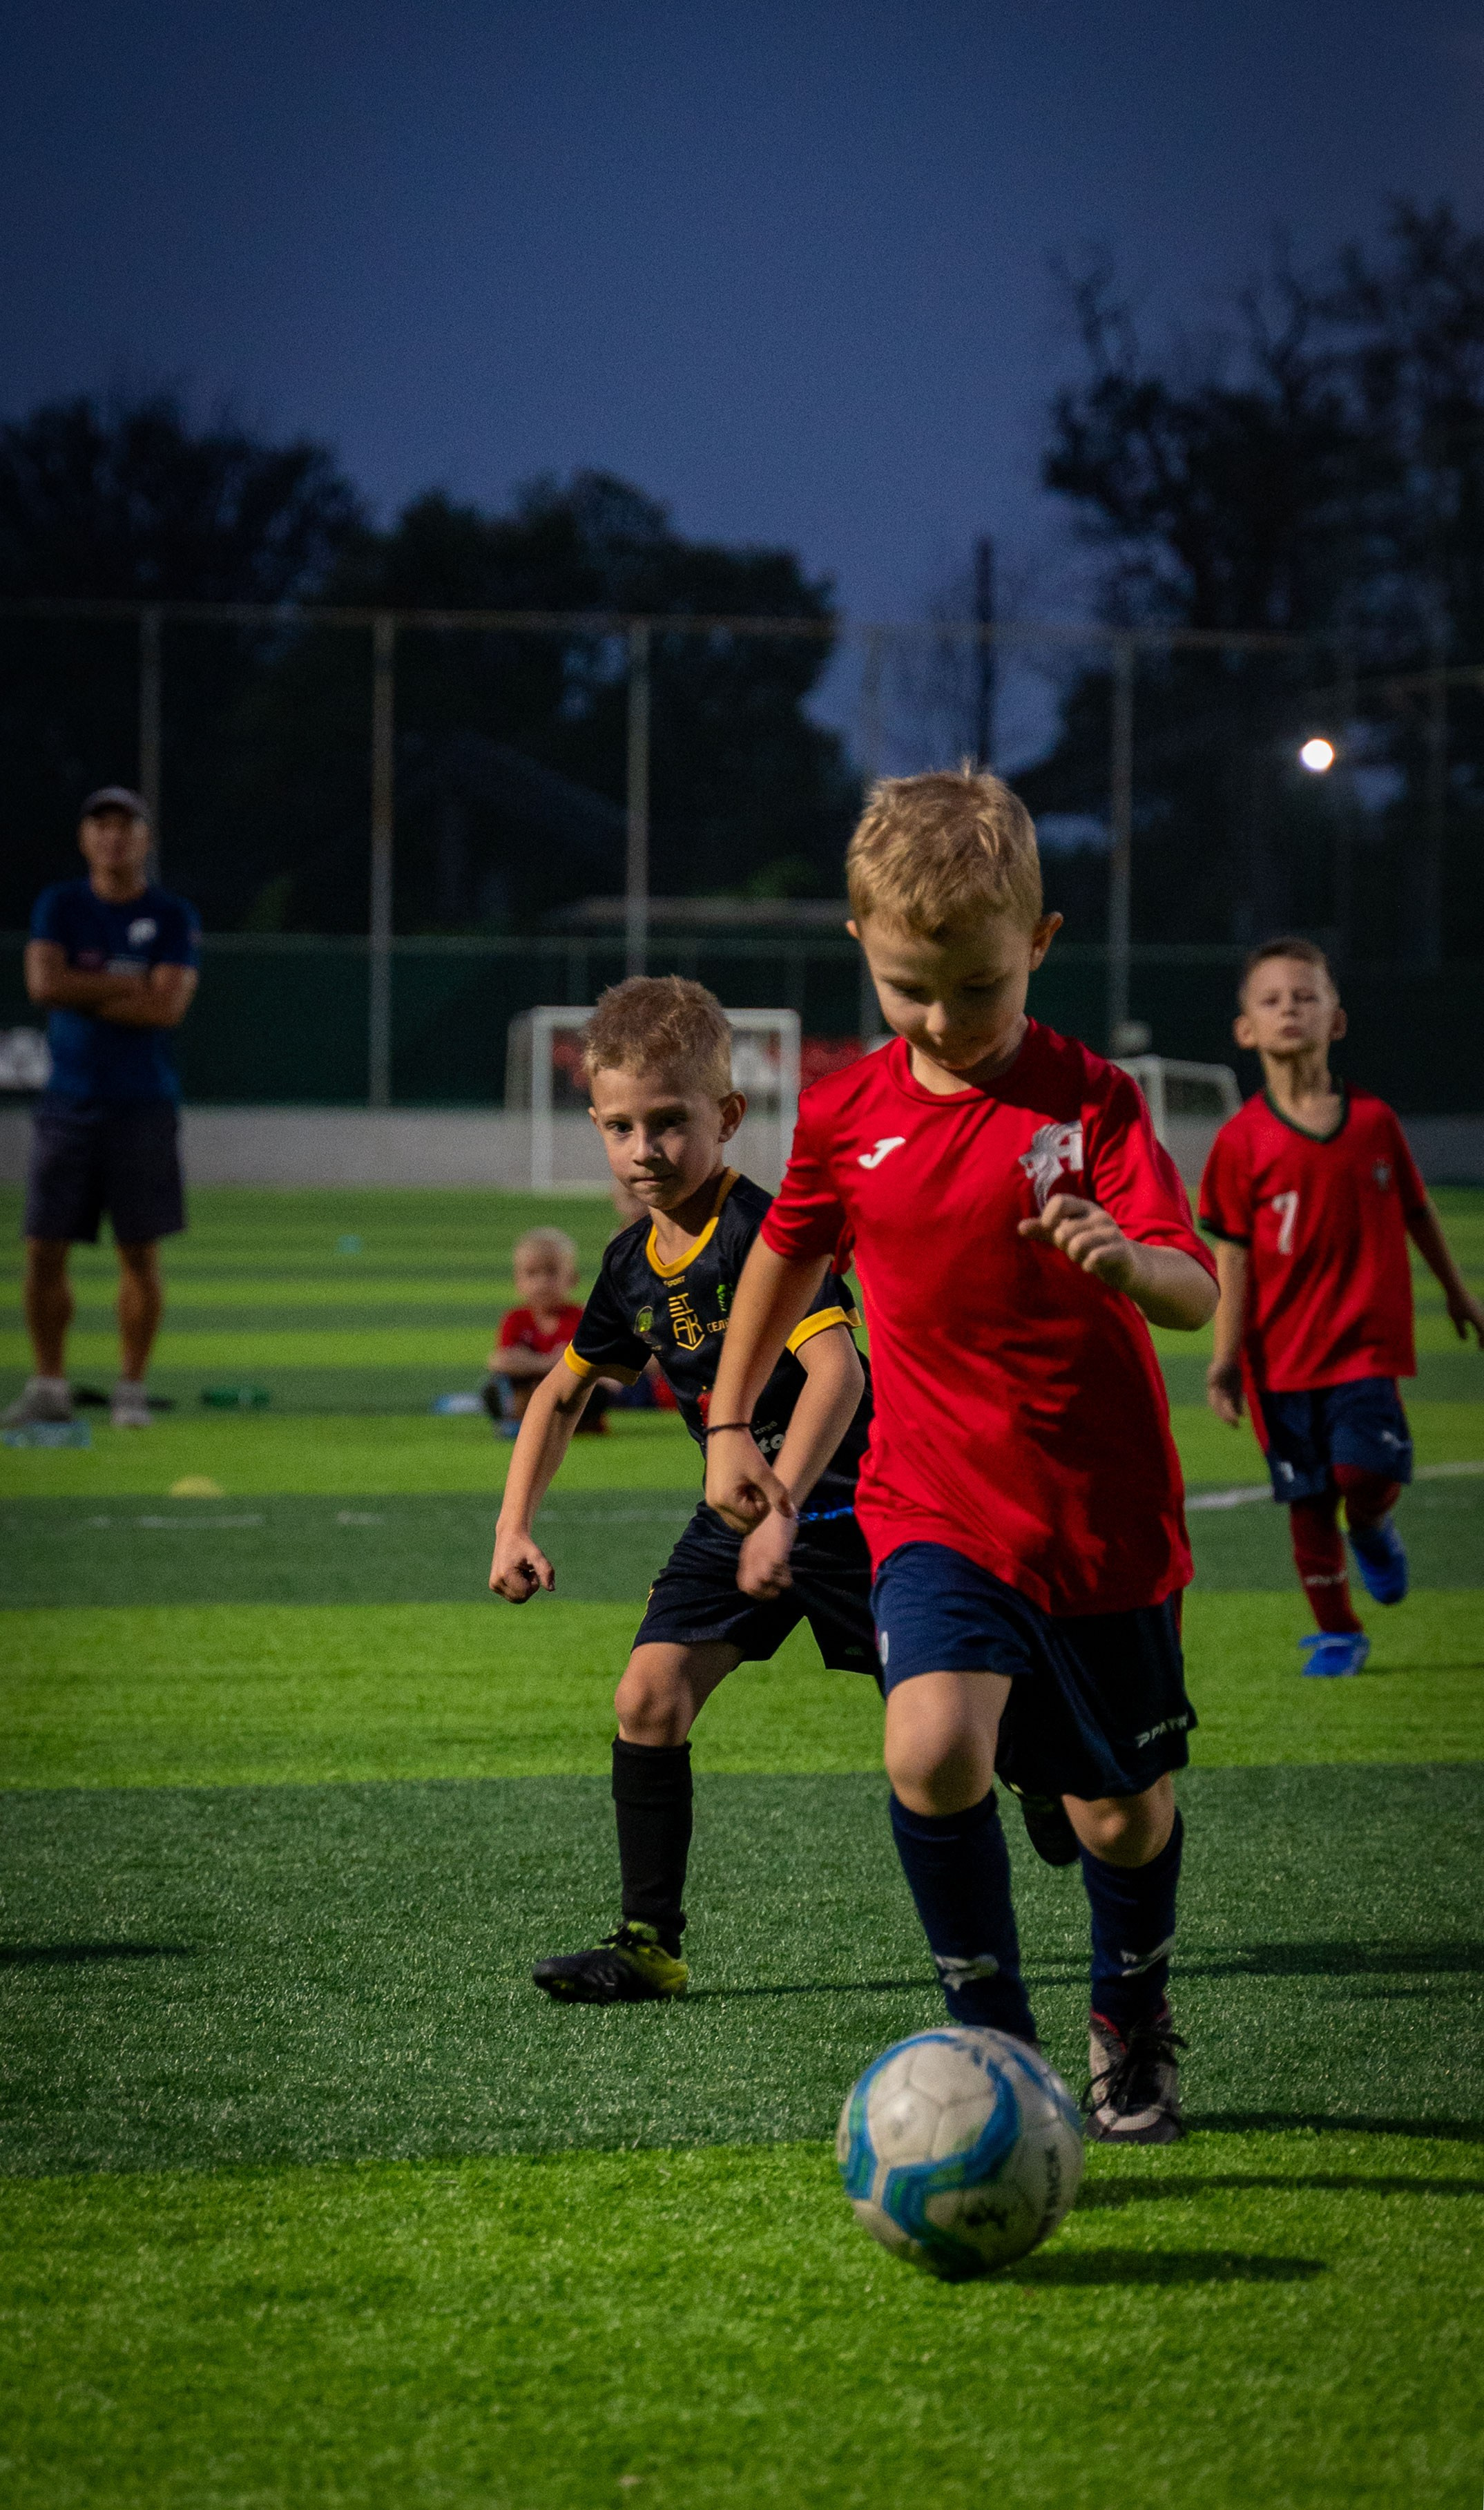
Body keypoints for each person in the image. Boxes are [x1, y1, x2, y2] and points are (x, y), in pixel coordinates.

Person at [704, 769, 1219, 2144]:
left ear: (1039, 947)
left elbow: (1194, 1285)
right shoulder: (841, 1109)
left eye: (977, 987)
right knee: (930, 1751)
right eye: (907, 987)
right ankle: (996, 2043)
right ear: (864, 947)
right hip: (929, 1500)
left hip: (1098, 1518)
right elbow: (787, 1249)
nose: (942, 1019)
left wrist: (1128, 1262)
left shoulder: (1091, 1101)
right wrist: (729, 1419)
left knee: (1122, 1817)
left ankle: (1132, 2010)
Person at [489, 975, 877, 2003]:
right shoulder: (626, 1267)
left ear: (728, 1117)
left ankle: (1046, 1763)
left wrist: (783, 1501)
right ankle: (648, 1942)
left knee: (955, 1733)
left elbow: (841, 1371)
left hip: (859, 1517)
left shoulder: (764, 1232)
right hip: (738, 1523)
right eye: (621, 1126)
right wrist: (513, 1524)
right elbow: (560, 1397)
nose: (644, 1149)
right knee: (646, 1698)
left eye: (669, 1123)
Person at [1200, 937, 1484, 1677]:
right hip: (1277, 1360)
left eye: (1305, 996)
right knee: (1305, 1499)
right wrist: (1225, 1360)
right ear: (1245, 1030)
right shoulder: (1238, 1142)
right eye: (1271, 1000)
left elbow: (1417, 1214)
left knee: (1360, 1478)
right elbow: (1231, 1255)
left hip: (1364, 1346)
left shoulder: (1374, 1124)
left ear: (1337, 1018)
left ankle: (1374, 1524)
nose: (1288, 1009)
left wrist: (1458, 1293)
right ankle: (1337, 1631)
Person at [5, 788, 200, 1432]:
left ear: (145, 839)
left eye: (126, 827)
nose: (114, 838)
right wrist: (128, 985)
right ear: (86, 838)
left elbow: (166, 1009)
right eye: (101, 826)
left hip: (142, 1104)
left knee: (139, 1253)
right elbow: (43, 986)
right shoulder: (60, 905)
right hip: (68, 1104)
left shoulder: (170, 915)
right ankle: (49, 1383)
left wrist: (80, 991)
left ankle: (131, 1389)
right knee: (43, 1249)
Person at [482, 1226, 610, 1438]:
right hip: (531, 1388)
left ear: (572, 1279)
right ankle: (523, 1420)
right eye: (532, 1274)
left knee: (595, 1390)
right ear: (518, 1281)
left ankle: (571, 1422)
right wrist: (549, 1362)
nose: (542, 1283)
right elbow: (501, 1360)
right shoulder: (516, 1319)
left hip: (568, 1394)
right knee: (495, 1386)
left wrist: (531, 1362)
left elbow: (600, 1366)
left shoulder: (581, 1318)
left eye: (551, 1272)